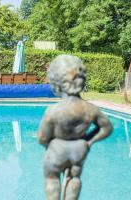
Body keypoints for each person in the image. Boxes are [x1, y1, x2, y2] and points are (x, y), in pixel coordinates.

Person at [38, 55, 113, 200]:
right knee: (74, 178)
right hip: (79, 150)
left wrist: (49, 145)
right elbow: (107, 128)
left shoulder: (53, 111)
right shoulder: (90, 109)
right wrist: (89, 141)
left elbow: (42, 138)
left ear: (57, 83)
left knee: (52, 178)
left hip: (57, 150)